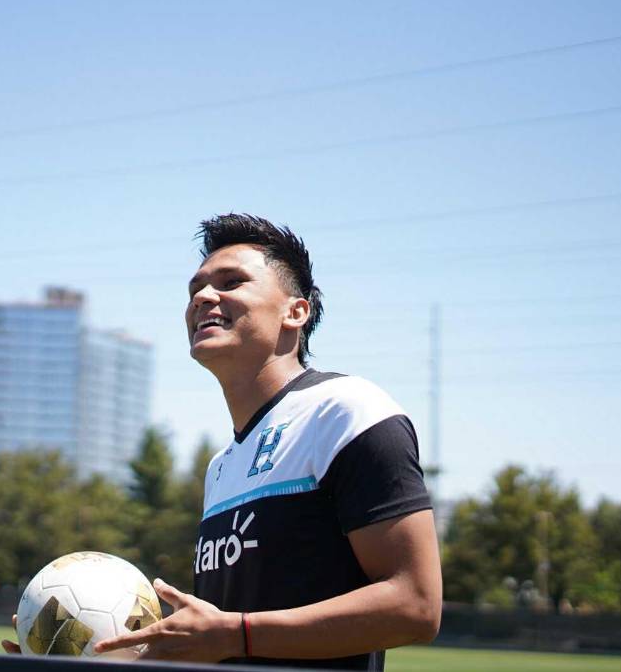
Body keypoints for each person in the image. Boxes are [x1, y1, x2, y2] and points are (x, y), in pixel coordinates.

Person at [95, 214, 441, 668]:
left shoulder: (346, 411)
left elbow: (416, 605)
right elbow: (221, 646)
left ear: (296, 312)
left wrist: (236, 634)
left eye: (232, 282)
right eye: (194, 289)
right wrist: (70, 654)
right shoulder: (221, 466)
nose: (202, 297)